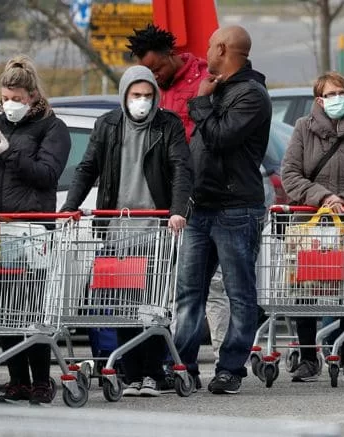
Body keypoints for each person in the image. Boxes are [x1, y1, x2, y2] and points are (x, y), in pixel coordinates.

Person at [61, 66, 192, 396]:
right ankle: (130, 372)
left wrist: (177, 211)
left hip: (156, 229)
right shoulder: (107, 125)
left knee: (151, 305)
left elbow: (180, 170)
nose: (142, 102)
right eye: (136, 95)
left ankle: (153, 372)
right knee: (120, 303)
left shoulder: (168, 125)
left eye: (148, 96)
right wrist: (70, 206)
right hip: (117, 230)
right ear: (124, 96)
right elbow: (87, 167)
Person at [0, 55, 71, 405]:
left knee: (31, 308)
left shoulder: (52, 127)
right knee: (5, 309)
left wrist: (10, 154)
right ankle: (16, 380)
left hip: (31, 228)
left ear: (32, 96)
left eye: (17, 99)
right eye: (6, 98)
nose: (10, 105)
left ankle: (40, 380)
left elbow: (47, 175)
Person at [172, 25, 271, 395]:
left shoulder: (251, 95)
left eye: (211, 46)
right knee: (188, 292)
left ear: (224, 49)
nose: (207, 52)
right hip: (202, 207)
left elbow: (219, 137)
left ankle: (230, 367)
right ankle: (182, 366)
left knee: (239, 293)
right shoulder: (220, 90)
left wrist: (200, 102)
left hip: (236, 209)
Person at [128, 25, 231, 371]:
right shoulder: (149, 91)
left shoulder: (205, 75)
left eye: (158, 68)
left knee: (212, 285)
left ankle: (224, 358)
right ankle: (172, 359)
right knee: (171, 287)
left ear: (171, 55)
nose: (154, 76)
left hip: (203, 196)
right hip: (165, 201)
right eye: (149, 72)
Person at [281, 71, 344, 382]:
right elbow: (290, 175)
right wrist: (323, 197)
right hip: (310, 224)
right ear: (319, 100)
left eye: (342, 92)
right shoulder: (302, 129)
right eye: (331, 94)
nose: (338, 98)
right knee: (307, 291)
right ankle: (309, 357)